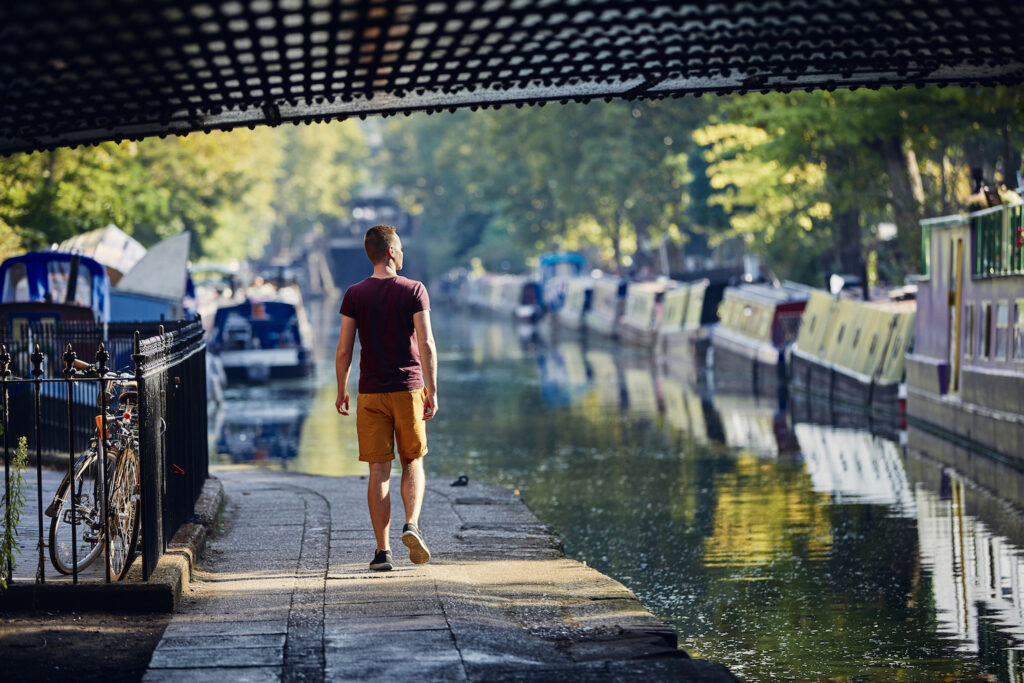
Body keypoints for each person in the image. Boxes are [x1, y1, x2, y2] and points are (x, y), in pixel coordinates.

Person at [335, 224, 438, 571]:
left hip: (370, 392)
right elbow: (426, 343)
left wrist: (341, 390)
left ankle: (383, 552)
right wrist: (432, 388)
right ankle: (412, 525)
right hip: (408, 388)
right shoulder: (414, 290)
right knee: (412, 461)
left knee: (378, 471)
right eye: (401, 248)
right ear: (392, 252)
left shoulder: (354, 294)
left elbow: (344, 350)